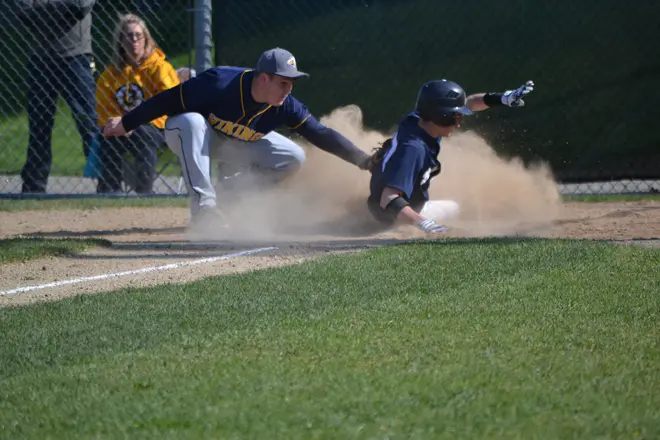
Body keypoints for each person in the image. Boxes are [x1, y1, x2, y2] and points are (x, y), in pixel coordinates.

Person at [102, 47, 371, 228]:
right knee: (191, 121)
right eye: (283, 82)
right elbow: (166, 100)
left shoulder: (286, 105)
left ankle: (228, 193)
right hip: (191, 136)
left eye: (291, 83)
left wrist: (363, 160)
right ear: (263, 78)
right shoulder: (219, 83)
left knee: (293, 157)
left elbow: (321, 134)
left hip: (235, 143)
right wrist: (126, 123)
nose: (288, 89)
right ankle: (204, 208)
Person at [367, 79, 535, 234]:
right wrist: (425, 224)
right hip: (394, 215)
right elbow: (388, 199)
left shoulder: (420, 121)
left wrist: (503, 98)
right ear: (441, 116)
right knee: (459, 206)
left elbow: (469, 103)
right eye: (456, 117)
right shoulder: (413, 149)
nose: (459, 123)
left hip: (387, 202)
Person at [18, 0, 99, 194]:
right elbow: (24, 13)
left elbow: (80, 7)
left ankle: (108, 182)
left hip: (76, 57)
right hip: (41, 59)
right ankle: (34, 188)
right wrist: (62, 7)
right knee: (39, 127)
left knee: (89, 123)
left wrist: (42, 6)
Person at [95, 13, 181, 194]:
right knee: (109, 137)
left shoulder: (160, 68)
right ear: (121, 41)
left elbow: (170, 103)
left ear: (146, 40)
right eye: (128, 36)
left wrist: (134, 122)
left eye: (138, 35)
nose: (134, 40)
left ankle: (143, 195)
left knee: (143, 134)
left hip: (158, 127)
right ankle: (110, 193)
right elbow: (105, 110)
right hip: (123, 127)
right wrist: (121, 125)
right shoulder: (110, 75)